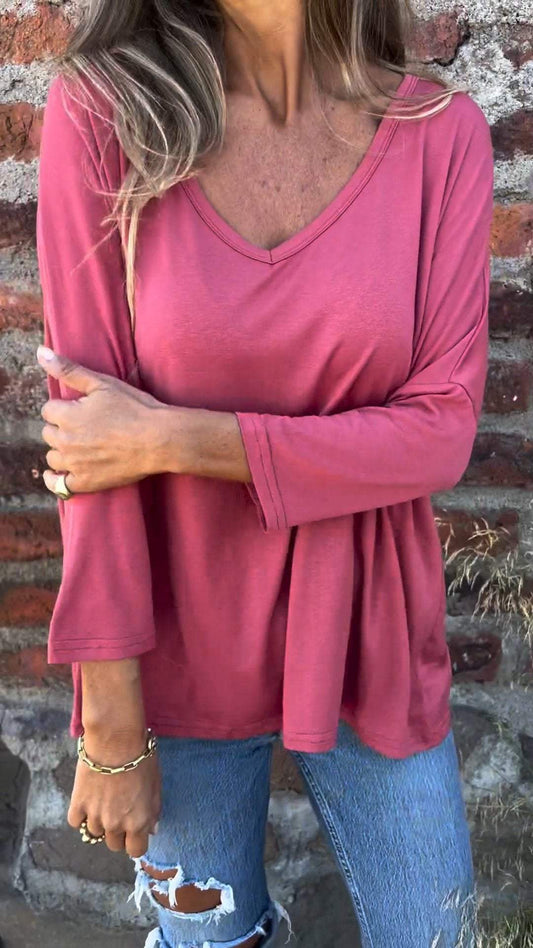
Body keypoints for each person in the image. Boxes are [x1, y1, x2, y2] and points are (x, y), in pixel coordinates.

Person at [35, 0, 494, 945]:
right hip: (176, 653)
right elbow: (89, 449)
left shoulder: (439, 136)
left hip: (369, 643)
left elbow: (439, 435)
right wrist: (111, 724)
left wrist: (175, 439)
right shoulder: (108, 114)